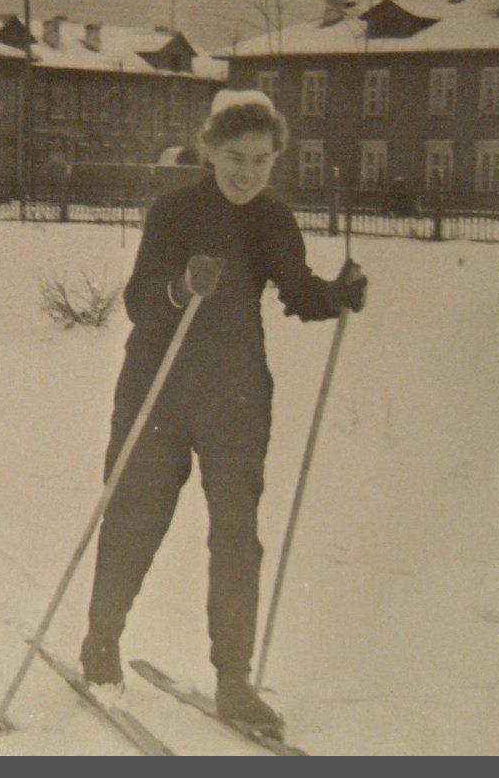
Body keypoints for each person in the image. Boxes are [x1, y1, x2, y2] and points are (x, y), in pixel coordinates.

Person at [79, 89, 367, 738]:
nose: (248, 172)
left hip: (235, 395)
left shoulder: (272, 221)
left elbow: (297, 293)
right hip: (160, 388)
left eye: (262, 160)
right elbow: (139, 300)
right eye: (235, 157)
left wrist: (337, 294)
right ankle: (102, 642)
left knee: (237, 535)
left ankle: (234, 681)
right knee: (136, 516)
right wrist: (183, 287)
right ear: (209, 152)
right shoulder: (173, 212)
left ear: (276, 160)